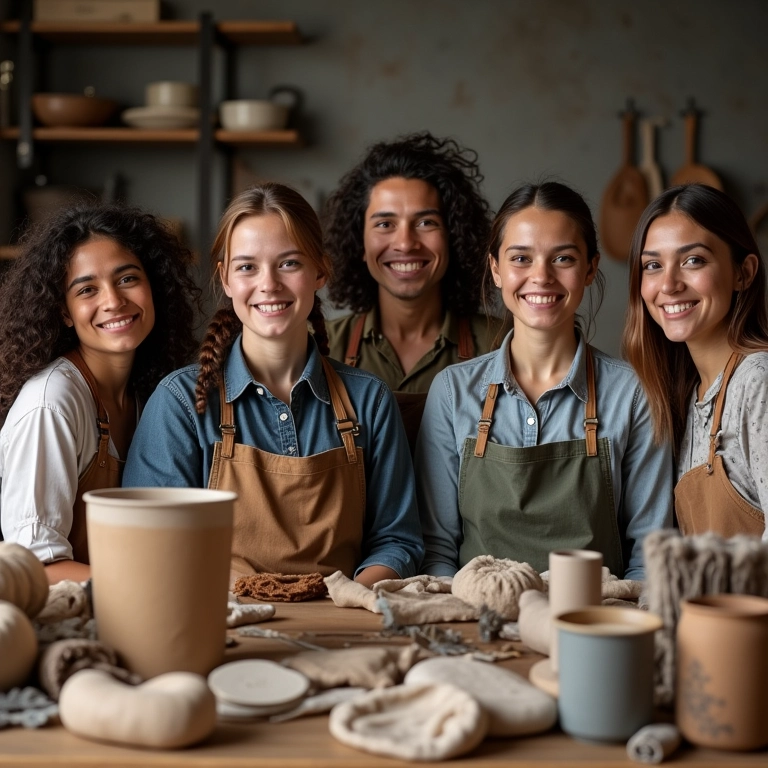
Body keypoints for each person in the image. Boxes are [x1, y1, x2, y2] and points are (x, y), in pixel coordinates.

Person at [123, 183, 423, 587]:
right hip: (220, 621)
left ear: (321, 270)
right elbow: (154, 543)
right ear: (225, 279)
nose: (269, 284)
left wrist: (348, 602)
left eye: (289, 264)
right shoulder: (180, 402)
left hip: (342, 621)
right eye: (247, 266)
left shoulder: (369, 400)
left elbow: (395, 541)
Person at [416, 181, 673, 579]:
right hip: (479, 624)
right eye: (520, 258)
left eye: (563, 259)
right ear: (496, 270)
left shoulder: (633, 393)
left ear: (590, 268)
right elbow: (437, 550)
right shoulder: (452, 392)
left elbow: (649, 554)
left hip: (592, 621)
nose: (541, 276)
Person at [0, 204, 200, 583]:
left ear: (153, 284)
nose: (113, 301)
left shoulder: (152, 391)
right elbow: (37, 567)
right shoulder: (52, 403)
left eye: (127, 279)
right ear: (64, 311)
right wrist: (157, 587)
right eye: (88, 289)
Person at [323, 132, 503, 450]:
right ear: (359, 243)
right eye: (384, 224)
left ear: (453, 236)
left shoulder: (501, 345)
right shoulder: (320, 347)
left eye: (425, 223)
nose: (405, 243)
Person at [623, 183, 767, 539]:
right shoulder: (683, 393)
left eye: (693, 261)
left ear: (743, 273)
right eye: (653, 265)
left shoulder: (758, 381)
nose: (669, 284)